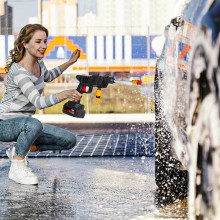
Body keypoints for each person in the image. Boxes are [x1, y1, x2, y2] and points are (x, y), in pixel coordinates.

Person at [0, 24, 82, 185]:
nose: (44, 46)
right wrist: (65, 94)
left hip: (27, 125)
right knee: (34, 124)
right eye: (38, 42)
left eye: (45, 41)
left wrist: (70, 62)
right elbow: (38, 102)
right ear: (25, 43)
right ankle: (17, 166)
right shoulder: (19, 72)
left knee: (69, 140)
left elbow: (49, 76)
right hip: (4, 124)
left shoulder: (39, 63)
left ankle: (19, 150)